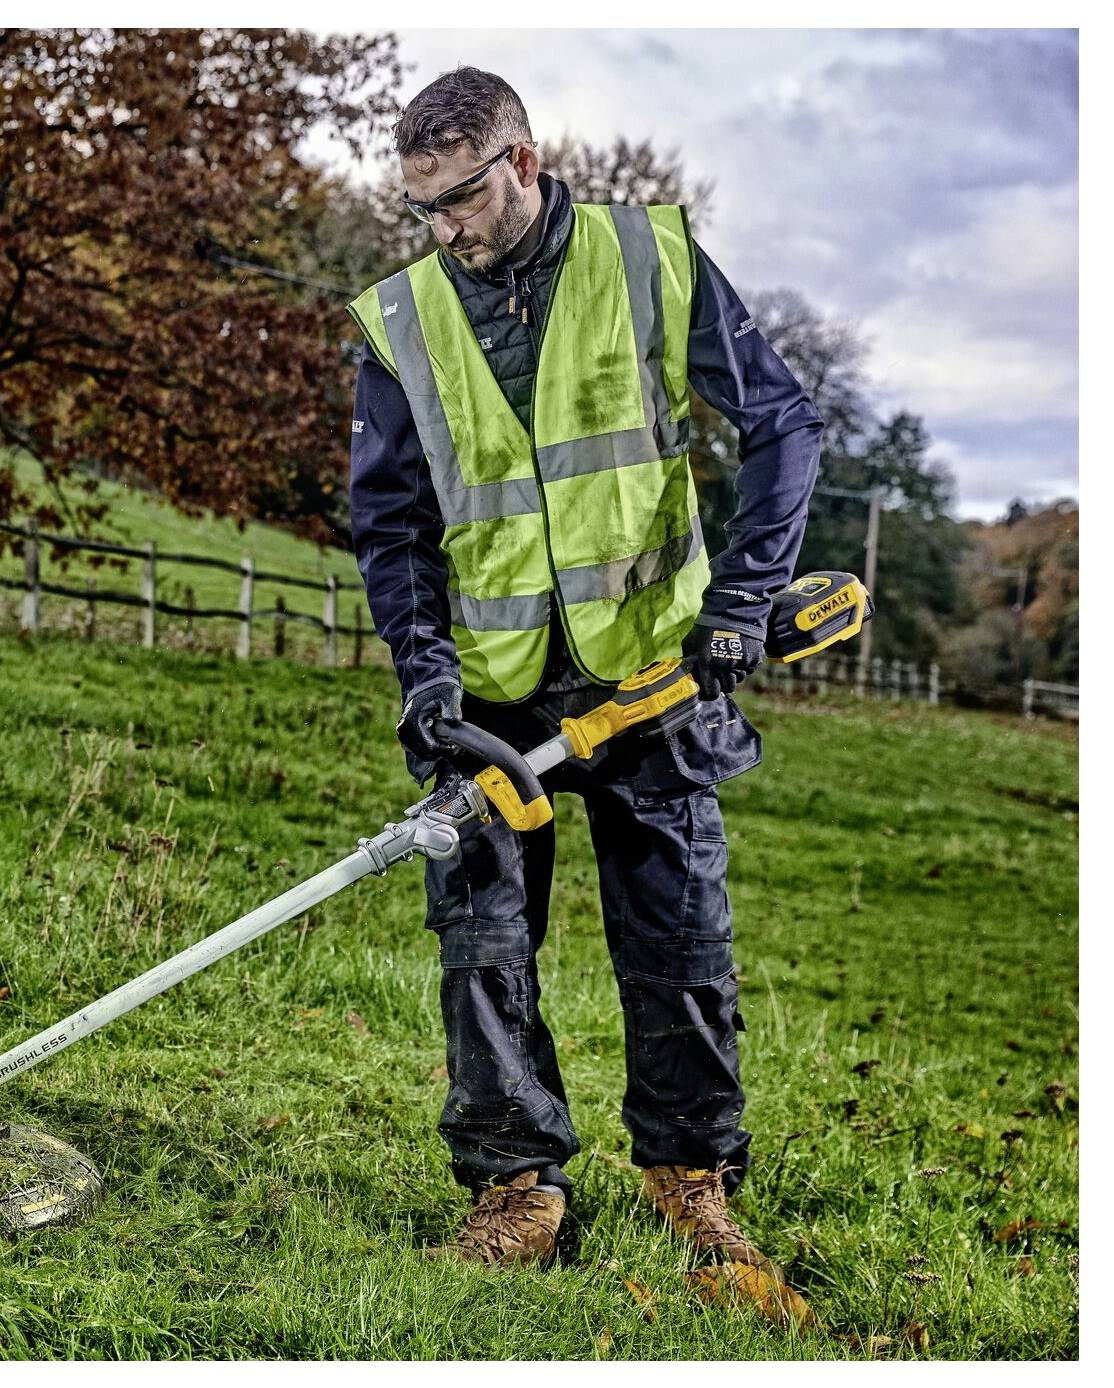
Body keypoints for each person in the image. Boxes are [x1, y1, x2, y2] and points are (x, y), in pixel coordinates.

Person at [346, 66, 822, 1270]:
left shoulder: (647, 259)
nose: (445, 230)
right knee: (483, 939)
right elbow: (392, 527)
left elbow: (784, 425)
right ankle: (517, 1191)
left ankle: (690, 1177)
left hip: (655, 675)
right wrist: (423, 673)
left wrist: (740, 605)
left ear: (523, 162)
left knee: (678, 940)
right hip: (495, 700)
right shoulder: (404, 319)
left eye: (461, 198)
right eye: (424, 209)